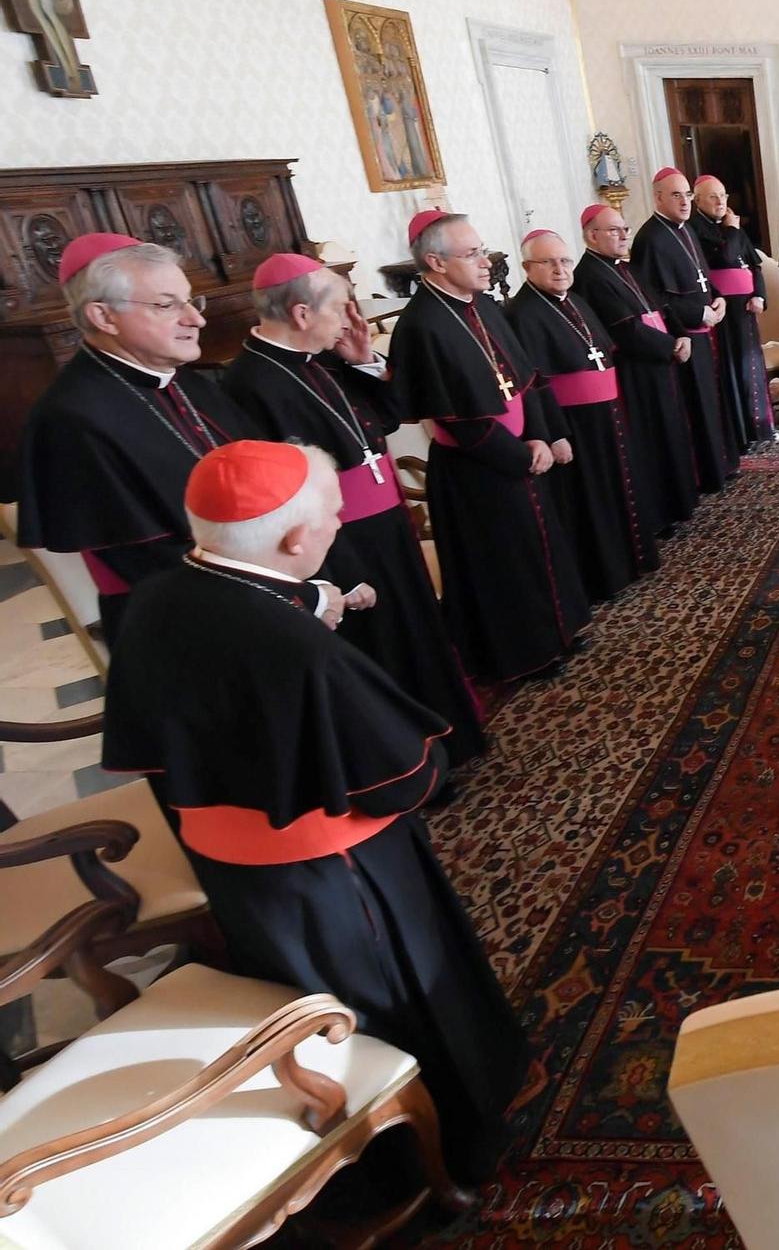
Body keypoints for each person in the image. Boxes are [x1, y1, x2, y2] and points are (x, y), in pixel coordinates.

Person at [102, 440, 529, 1182]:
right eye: (333, 515)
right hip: (337, 873)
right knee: (391, 998)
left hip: (232, 867)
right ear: (297, 539)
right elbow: (403, 776)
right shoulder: (298, 647)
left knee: (299, 990)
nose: (339, 523)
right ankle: (441, 1139)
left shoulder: (154, 596)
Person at [226, 253, 486, 764]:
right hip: (339, 542)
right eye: (342, 307)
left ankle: (451, 739)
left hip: (386, 522)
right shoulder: (249, 384)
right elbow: (277, 500)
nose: (350, 318)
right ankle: (410, 763)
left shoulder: (322, 359)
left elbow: (386, 419)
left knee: (417, 634)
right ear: (302, 314)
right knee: (384, 649)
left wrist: (365, 359)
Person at [16, 234, 248, 645]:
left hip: (250, 588)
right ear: (104, 317)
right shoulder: (71, 420)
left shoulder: (182, 381)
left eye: (192, 301)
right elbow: (145, 558)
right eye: (166, 305)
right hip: (183, 624)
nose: (196, 319)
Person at [389, 211, 589, 681]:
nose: (487, 262)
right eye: (474, 253)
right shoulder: (423, 326)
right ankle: (526, 655)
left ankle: (559, 629)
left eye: (483, 249)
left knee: (540, 548)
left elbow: (526, 379)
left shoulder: (483, 306)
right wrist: (521, 456)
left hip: (522, 451)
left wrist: (540, 435)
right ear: (436, 262)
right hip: (478, 468)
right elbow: (457, 420)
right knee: (504, 566)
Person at [509, 229, 660, 601]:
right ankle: (602, 577)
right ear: (527, 267)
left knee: (616, 487)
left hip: (605, 412)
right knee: (588, 499)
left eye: (564, 260)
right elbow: (533, 382)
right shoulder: (521, 313)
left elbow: (601, 351)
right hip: (572, 423)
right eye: (549, 262)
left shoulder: (574, 300)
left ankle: (629, 561)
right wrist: (553, 432)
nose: (560, 269)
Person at [573, 202, 702, 528]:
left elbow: (661, 306)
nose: (623, 235)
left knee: (670, 431)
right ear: (592, 235)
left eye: (624, 229)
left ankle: (680, 502)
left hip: (661, 362)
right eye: (614, 230)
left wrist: (681, 334)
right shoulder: (590, 276)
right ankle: (660, 514)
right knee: (651, 439)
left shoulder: (624, 267)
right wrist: (670, 345)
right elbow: (625, 329)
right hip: (637, 371)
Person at [631, 167, 739, 487]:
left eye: (687, 195)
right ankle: (706, 474)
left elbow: (703, 277)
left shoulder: (686, 230)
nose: (684, 202)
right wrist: (698, 313)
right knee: (697, 407)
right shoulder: (650, 238)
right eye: (676, 195)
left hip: (707, 329)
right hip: (685, 336)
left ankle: (722, 463)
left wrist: (718, 299)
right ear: (658, 197)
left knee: (714, 400)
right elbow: (654, 298)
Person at [690, 174, 776, 444]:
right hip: (724, 312)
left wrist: (759, 295)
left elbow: (754, 264)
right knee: (733, 369)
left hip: (746, 308)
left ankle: (759, 425)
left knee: (751, 365)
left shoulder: (731, 226)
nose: (720, 201)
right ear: (698, 200)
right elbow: (725, 257)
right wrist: (732, 229)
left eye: (724, 196)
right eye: (713, 196)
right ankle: (741, 431)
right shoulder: (695, 229)